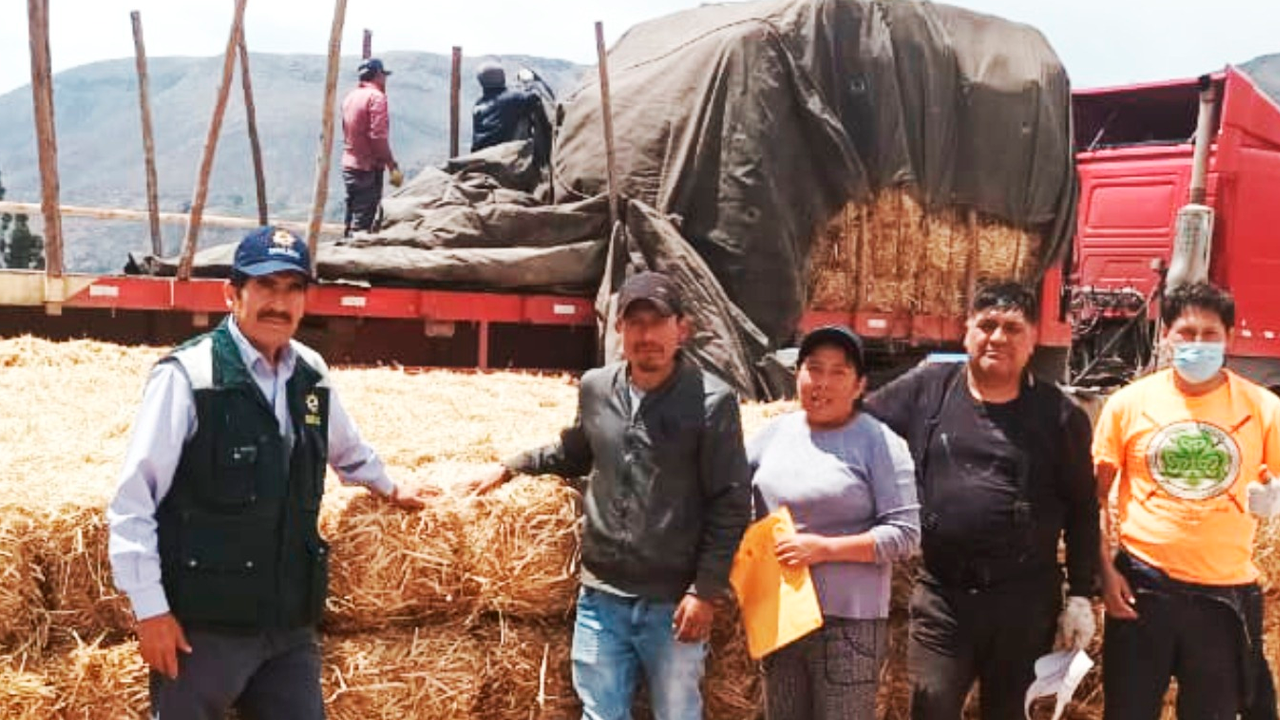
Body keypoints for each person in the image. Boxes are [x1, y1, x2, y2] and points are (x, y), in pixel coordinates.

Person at [107, 226, 433, 719]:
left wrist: (390, 485)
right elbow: (134, 502)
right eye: (265, 286)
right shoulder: (189, 377)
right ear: (232, 294)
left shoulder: (311, 374)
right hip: (204, 631)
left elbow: (346, 450)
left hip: (288, 630)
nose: (279, 304)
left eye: (293, 289)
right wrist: (151, 610)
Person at [470, 271, 751, 720]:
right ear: (619, 329)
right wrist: (511, 466)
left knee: (677, 714)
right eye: (635, 323)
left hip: (672, 602)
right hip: (602, 598)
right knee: (600, 714)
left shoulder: (711, 402)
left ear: (682, 328)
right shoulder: (596, 388)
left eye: (658, 323)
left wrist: (705, 590)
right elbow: (575, 451)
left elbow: (730, 502)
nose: (646, 336)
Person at [863, 281, 1100, 720]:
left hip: (1025, 603)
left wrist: (1082, 594)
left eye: (1012, 328)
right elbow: (862, 427)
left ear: (1032, 339)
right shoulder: (928, 389)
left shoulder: (1060, 415)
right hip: (943, 597)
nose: (998, 337)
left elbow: (1084, 508)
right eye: (987, 325)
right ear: (966, 330)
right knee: (930, 707)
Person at [1094, 281, 1280, 720]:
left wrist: (1273, 497)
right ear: (1166, 335)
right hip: (1142, 588)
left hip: (1225, 597)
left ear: (1229, 337)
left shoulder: (1263, 408)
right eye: (1186, 333)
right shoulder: (1127, 404)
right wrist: (1105, 572)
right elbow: (1094, 497)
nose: (1198, 343)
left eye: (1210, 334)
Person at [748, 325, 920, 720]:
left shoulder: (879, 442)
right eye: (813, 368)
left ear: (860, 386)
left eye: (838, 372)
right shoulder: (771, 436)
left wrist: (823, 549)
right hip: (782, 617)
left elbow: (906, 535)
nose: (822, 382)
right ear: (797, 375)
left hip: (848, 624)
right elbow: (729, 498)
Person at [341, 57, 400, 236]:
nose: (385, 79)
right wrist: (391, 165)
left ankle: (345, 247)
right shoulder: (376, 98)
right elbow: (378, 137)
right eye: (384, 75)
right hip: (367, 169)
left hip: (350, 166)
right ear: (378, 75)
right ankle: (354, 251)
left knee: (351, 216)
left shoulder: (350, 97)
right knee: (363, 225)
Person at [471, 60, 546, 153]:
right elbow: (536, 97)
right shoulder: (515, 98)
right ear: (503, 77)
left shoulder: (478, 104)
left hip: (479, 154)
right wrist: (530, 83)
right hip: (505, 155)